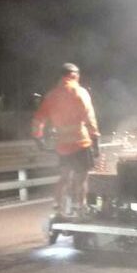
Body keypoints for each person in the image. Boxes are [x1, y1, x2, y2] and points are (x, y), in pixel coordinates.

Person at [32, 63, 100, 217]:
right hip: (81, 143)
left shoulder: (52, 95)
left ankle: (57, 206)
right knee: (81, 178)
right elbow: (90, 118)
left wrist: (38, 137)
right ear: (74, 75)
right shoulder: (80, 92)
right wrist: (95, 139)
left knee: (64, 176)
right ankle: (80, 207)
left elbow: (38, 119)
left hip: (63, 145)